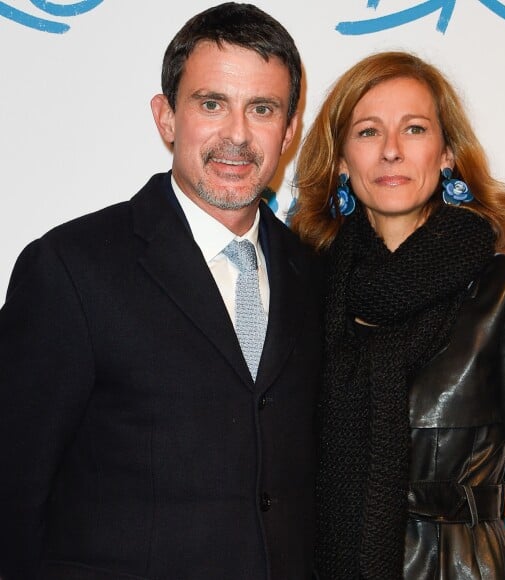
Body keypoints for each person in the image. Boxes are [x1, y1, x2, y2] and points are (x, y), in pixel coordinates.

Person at [0, 4, 323, 579]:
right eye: (211, 103)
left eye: (263, 109)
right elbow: (12, 488)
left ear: (290, 130)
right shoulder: (71, 268)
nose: (237, 136)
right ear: (166, 117)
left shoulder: (315, 273)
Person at [291, 51, 505, 579]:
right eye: (369, 132)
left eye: (415, 129)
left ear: (447, 154)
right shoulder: (306, 295)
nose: (392, 152)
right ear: (339, 160)